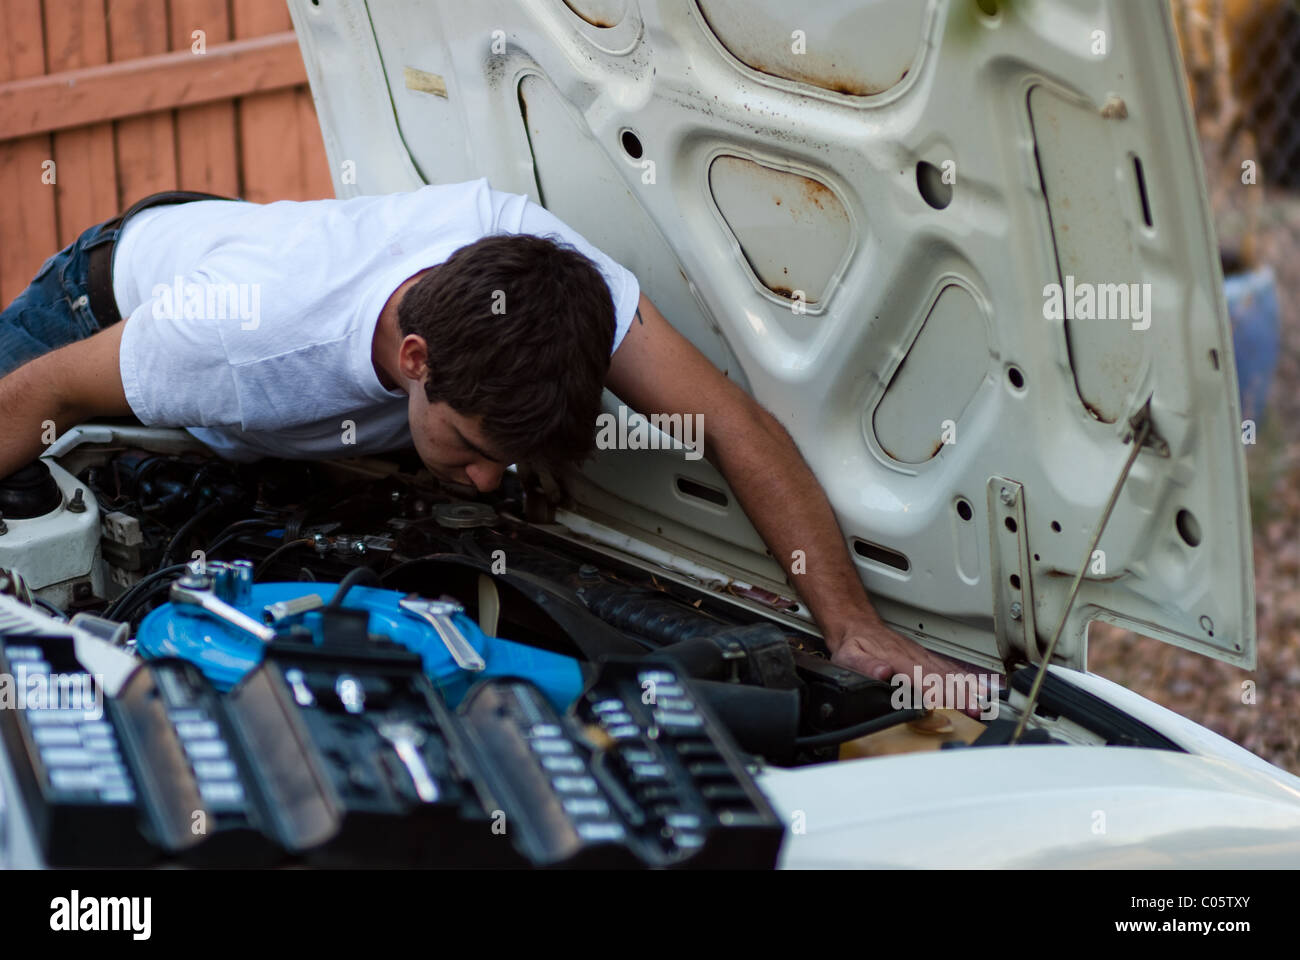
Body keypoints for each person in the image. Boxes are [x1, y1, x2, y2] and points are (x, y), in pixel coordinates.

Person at [0, 178, 979, 710]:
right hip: (94, 309)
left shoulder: (546, 272)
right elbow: (43, 393)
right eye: (470, 447)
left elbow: (733, 425)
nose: (484, 480)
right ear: (414, 357)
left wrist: (850, 628)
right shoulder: (240, 343)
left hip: (255, 277)